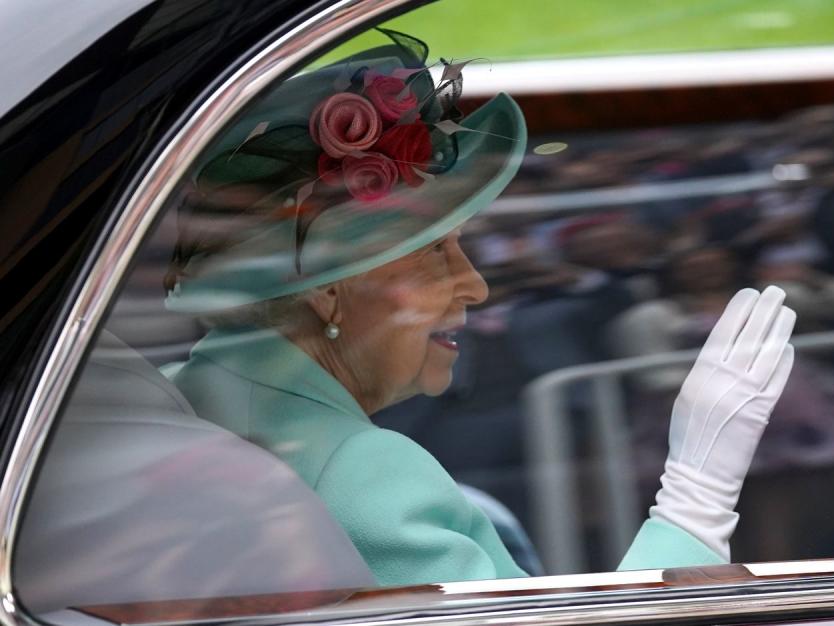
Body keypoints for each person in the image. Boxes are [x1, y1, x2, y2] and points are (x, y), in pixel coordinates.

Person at [163, 31, 796, 587]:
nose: (476, 287)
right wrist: (695, 500)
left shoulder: (177, 391)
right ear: (330, 287)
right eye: (435, 252)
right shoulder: (367, 475)